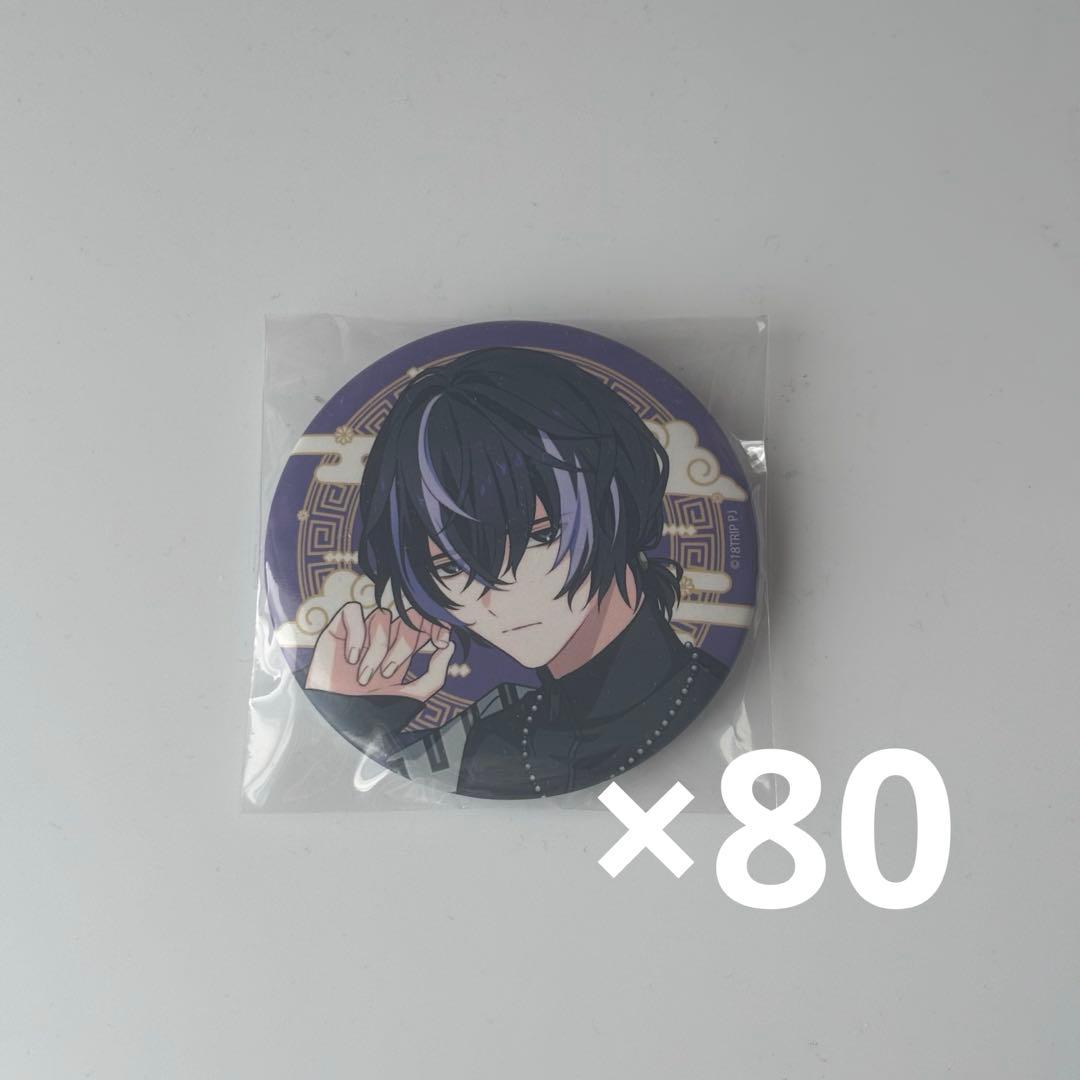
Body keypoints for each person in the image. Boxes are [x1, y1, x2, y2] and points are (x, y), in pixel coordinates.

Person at [302, 347, 728, 798]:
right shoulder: (491, 738)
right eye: (449, 565)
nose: (495, 596)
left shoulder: (705, 699)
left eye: (539, 536)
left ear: (615, 500)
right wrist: (360, 711)